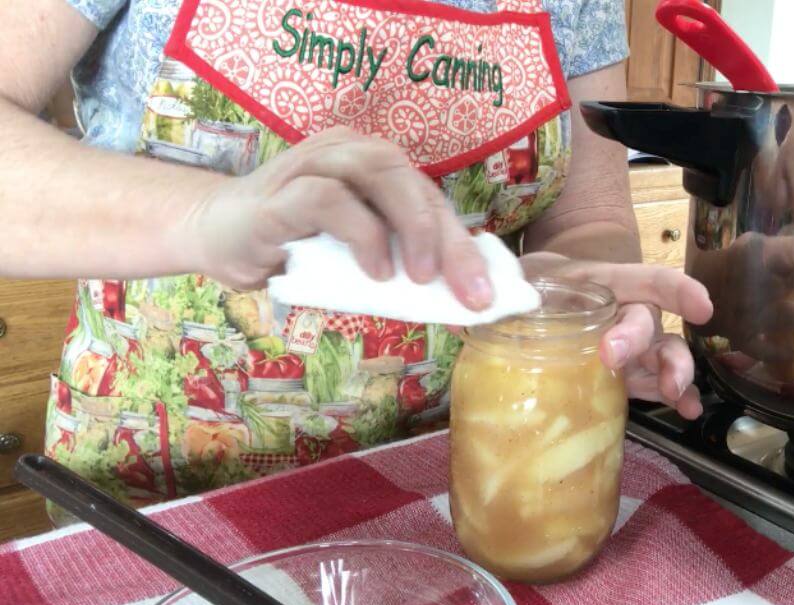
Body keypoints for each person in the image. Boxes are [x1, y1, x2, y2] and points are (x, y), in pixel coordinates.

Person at [0, 0, 720, 521]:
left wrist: (576, 311)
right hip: (162, 503)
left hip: (460, 494)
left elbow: (589, 217)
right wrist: (198, 214)